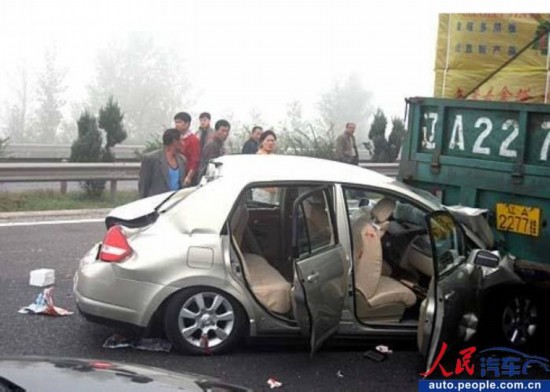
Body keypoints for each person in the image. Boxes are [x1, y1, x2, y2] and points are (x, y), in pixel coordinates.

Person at [138, 128, 186, 198]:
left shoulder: (182, 160)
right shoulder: (152, 159)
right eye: (182, 140)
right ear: (175, 142)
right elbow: (143, 185)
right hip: (156, 202)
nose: (183, 143)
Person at [174, 112, 200, 186]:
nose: (177, 125)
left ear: (187, 124)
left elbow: (195, 161)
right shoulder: (175, 137)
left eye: (179, 122)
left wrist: (189, 177)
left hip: (186, 174)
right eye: (176, 122)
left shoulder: (193, 140)